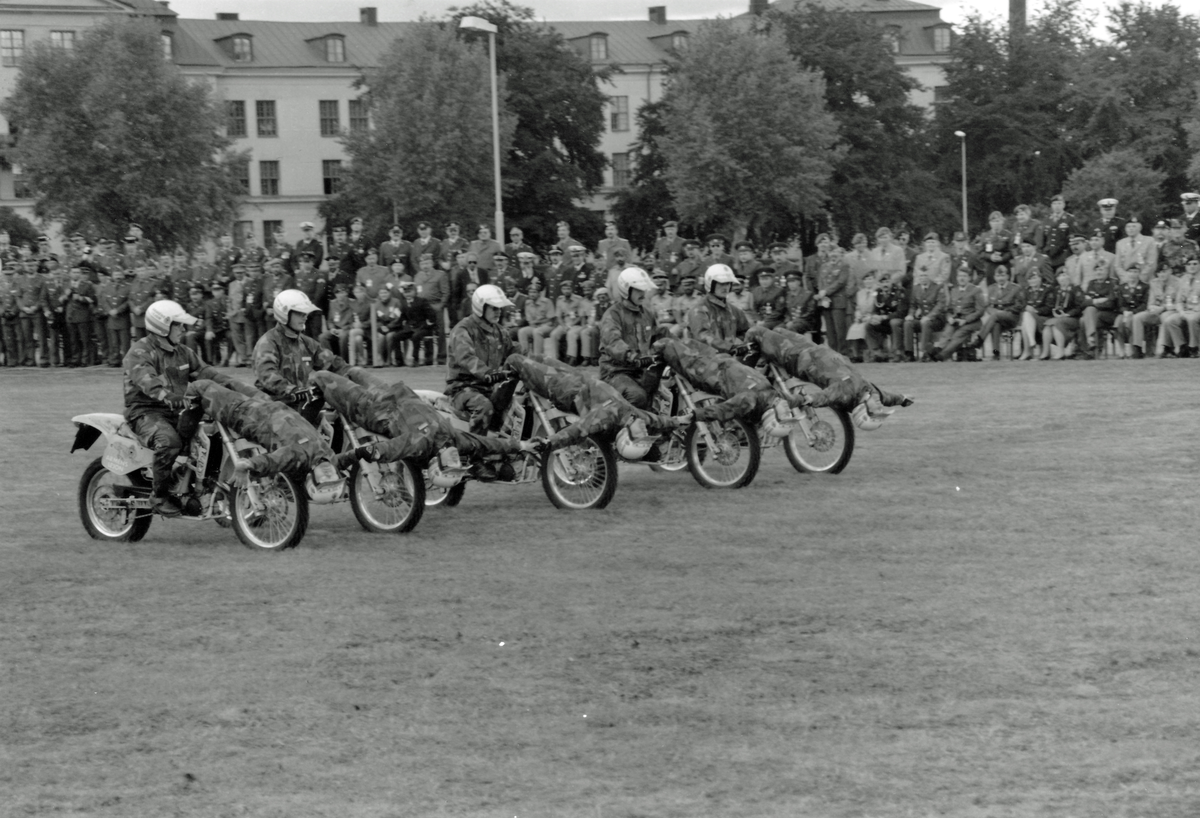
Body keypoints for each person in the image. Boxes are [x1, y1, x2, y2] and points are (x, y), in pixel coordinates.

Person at [123, 300, 248, 516]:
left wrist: (241, 390)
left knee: (212, 433)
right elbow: (147, 382)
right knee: (169, 441)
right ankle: (159, 497)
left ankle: (205, 486)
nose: (183, 329)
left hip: (178, 409)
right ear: (163, 326)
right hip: (145, 412)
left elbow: (208, 374)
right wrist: (168, 396)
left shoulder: (183, 352)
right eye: (178, 325)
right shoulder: (140, 352)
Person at [309, 369, 535, 480]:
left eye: (451, 464)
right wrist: (523, 446)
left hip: (373, 408)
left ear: (437, 464)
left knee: (321, 377)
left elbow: (377, 450)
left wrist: (339, 461)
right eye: (458, 464)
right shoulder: (455, 441)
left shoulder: (420, 444)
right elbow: (488, 444)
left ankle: (301, 410)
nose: (456, 459)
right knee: (352, 371)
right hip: (396, 391)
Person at [505, 353, 687, 455]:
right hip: (580, 377)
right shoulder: (634, 417)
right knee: (538, 357)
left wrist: (548, 443)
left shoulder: (605, 417)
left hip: (563, 388)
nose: (645, 431)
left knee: (515, 360)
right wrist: (681, 420)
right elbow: (659, 421)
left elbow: (575, 432)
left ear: (627, 435)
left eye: (640, 435)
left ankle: (499, 412)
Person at [746, 326, 912, 426]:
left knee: (755, 332)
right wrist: (903, 399)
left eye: (876, 410)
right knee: (778, 330)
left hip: (797, 358)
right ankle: (761, 373)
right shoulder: (869, 393)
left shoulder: (845, 393)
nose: (879, 405)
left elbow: (823, 397)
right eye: (879, 409)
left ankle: (741, 380)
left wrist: (805, 400)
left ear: (864, 409)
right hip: (813, 349)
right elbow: (886, 397)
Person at [253, 290, 354, 425]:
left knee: (334, 424)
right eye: (299, 313)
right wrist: (293, 390)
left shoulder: (307, 343)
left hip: (302, 406)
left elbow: (333, 363)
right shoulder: (268, 342)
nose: (304, 317)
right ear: (284, 314)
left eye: (305, 313)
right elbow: (267, 376)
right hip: (275, 409)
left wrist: (356, 377)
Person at [446, 283, 520, 434]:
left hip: (489, 388)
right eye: (493, 308)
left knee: (517, 405)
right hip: (463, 389)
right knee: (484, 407)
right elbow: (466, 358)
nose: (498, 312)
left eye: (499, 308)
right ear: (481, 307)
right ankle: (476, 452)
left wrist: (529, 361)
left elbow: (513, 352)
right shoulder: (463, 329)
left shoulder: (500, 332)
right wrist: (488, 373)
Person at [599, 267, 663, 409]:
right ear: (626, 290)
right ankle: (623, 429)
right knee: (637, 396)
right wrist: (632, 356)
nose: (643, 293)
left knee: (668, 390)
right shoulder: (613, 314)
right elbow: (612, 342)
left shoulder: (647, 314)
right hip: (616, 372)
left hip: (643, 370)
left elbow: (657, 337)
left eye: (644, 290)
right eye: (638, 290)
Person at [928, 266, 986, 362]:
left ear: (969, 278)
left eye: (964, 276)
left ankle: (941, 356)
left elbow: (980, 311)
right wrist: (950, 317)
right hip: (956, 320)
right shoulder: (954, 290)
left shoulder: (976, 290)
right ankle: (937, 349)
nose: (961, 278)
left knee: (958, 335)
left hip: (972, 322)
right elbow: (949, 309)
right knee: (947, 332)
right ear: (957, 277)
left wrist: (965, 320)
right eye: (959, 276)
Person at [688, 264, 750, 352]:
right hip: (707, 360)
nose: (726, 287)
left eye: (728, 283)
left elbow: (746, 332)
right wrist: (730, 347)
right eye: (721, 283)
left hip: (731, 359)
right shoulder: (698, 310)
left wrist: (740, 344)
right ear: (711, 284)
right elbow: (703, 336)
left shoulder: (735, 310)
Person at [974, 265, 1025, 360]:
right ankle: (996, 353)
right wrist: (995, 312)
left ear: (1007, 276)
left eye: (1003, 276)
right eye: (998, 276)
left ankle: (980, 339)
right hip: (996, 318)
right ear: (994, 277)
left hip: (1012, 318)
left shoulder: (1015, 288)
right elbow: (988, 306)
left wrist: (1003, 312)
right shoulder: (991, 288)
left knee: (996, 316)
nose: (1001, 278)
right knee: (995, 324)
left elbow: (1019, 306)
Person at [904, 266, 946, 362]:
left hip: (937, 320)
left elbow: (940, 305)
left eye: (925, 275)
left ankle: (925, 353)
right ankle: (909, 354)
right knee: (908, 323)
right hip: (923, 319)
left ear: (929, 276)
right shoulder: (916, 288)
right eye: (921, 276)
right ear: (918, 277)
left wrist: (929, 316)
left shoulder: (937, 287)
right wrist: (910, 314)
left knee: (926, 323)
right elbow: (913, 305)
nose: (923, 278)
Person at [1043, 268, 1086, 360]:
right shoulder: (1055, 291)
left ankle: (1060, 351)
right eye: (1060, 276)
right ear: (1057, 279)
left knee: (1056, 324)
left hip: (1073, 318)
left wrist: (1068, 314)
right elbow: (1050, 305)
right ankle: (1045, 352)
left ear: (1069, 277)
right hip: (1057, 317)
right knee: (1048, 324)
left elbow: (1080, 306)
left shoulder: (1075, 289)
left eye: (1065, 275)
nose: (1063, 278)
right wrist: (1054, 312)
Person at [865, 271, 908, 363]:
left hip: (898, 320)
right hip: (884, 322)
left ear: (891, 282)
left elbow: (901, 312)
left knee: (894, 322)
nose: (885, 284)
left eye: (887, 282)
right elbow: (875, 309)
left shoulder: (899, 292)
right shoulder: (878, 293)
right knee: (869, 325)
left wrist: (884, 317)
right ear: (879, 284)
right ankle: (877, 353)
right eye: (882, 282)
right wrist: (874, 317)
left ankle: (897, 352)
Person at [1018, 269, 1056, 361]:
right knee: (1025, 321)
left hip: (1044, 318)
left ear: (1040, 278)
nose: (1032, 281)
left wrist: (1036, 311)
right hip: (1030, 320)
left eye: (1034, 278)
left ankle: (1028, 349)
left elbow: (1049, 308)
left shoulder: (1048, 289)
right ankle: (1030, 344)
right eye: (1030, 279)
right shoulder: (1026, 291)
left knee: (1027, 316)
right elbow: (1021, 305)